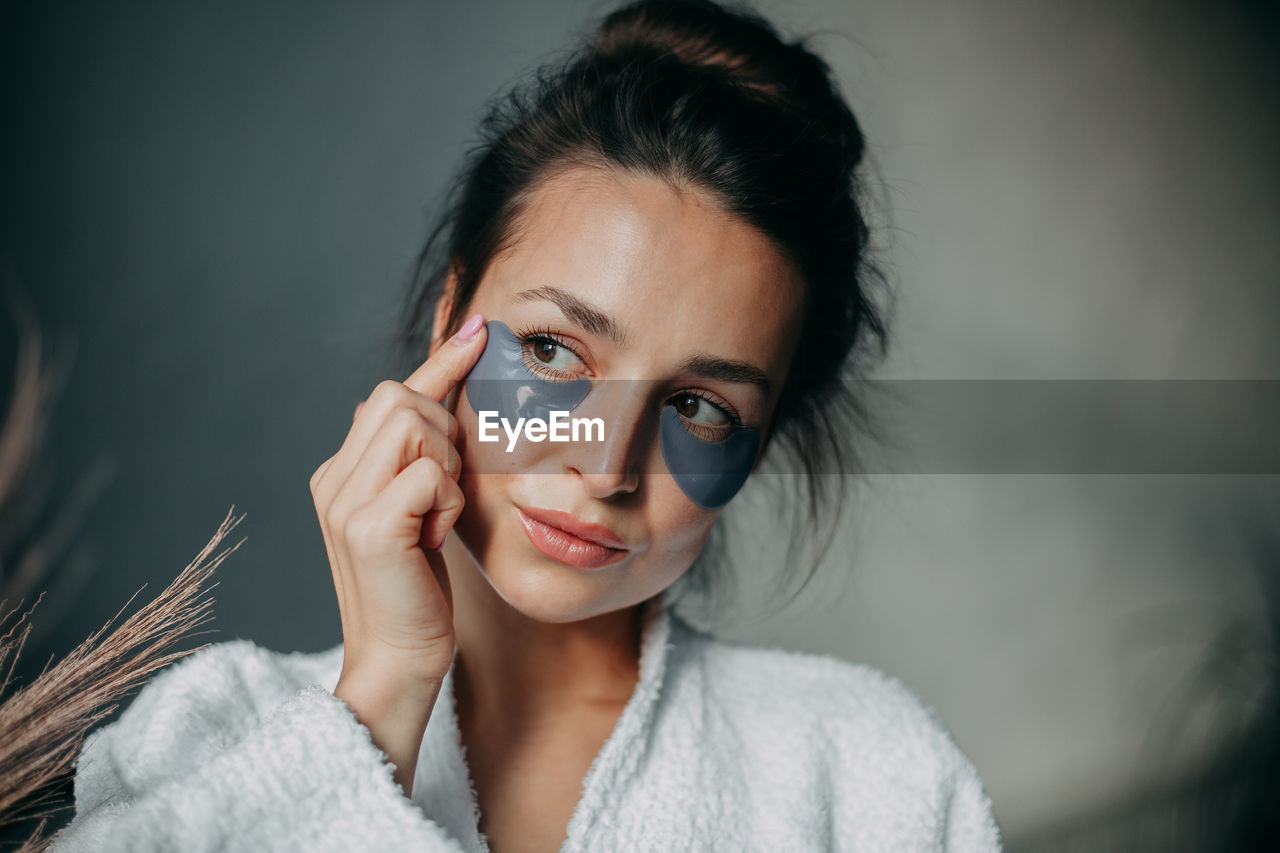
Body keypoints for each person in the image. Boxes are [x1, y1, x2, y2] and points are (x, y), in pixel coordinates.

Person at [50, 1, 1003, 850]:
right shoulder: (202, 736)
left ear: (759, 443)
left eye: (700, 406)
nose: (605, 466)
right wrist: (379, 698)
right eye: (552, 352)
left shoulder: (872, 776)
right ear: (450, 315)